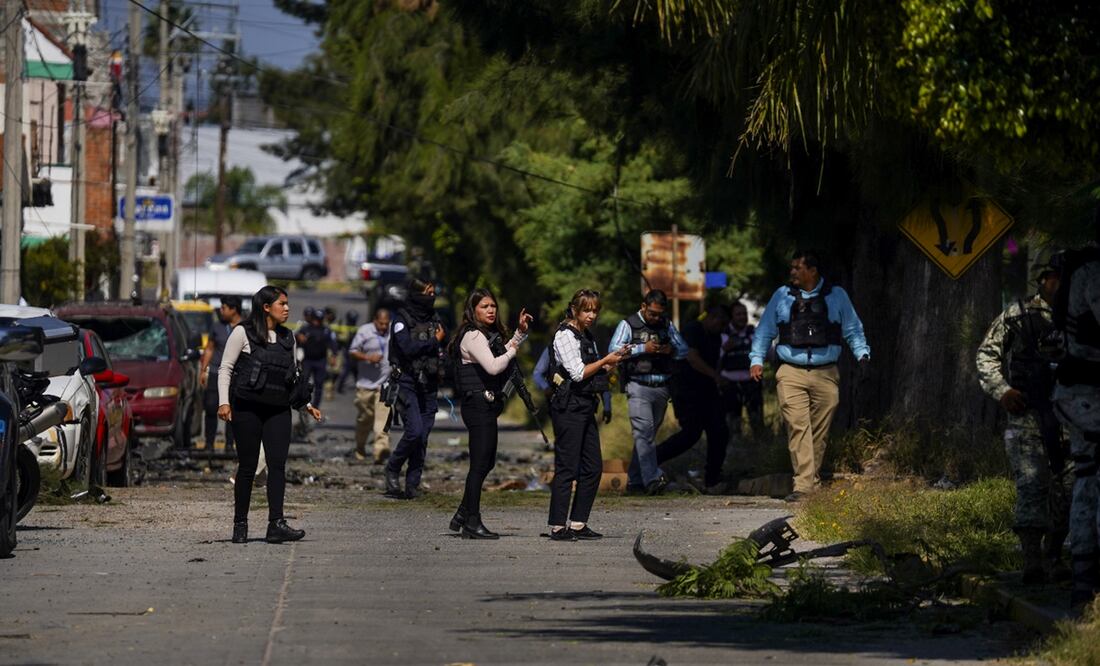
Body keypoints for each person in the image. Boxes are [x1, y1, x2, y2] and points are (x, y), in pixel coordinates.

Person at [977, 252, 1070, 584]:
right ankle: (1032, 559)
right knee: (1032, 485)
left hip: (1071, 418)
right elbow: (987, 355)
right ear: (1043, 280)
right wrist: (1002, 390)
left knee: (1068, 487)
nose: (1058, 284)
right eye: (1053, 277)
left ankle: (1055, 555)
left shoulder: (1080, 316)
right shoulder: (1017, 315)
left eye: (1063, 277)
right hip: (1027, 415)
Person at [750, 250, 870, 502]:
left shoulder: (837, 297)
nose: (792, 272)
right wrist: (757, 359)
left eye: (797, 268)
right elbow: (764, 331)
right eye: (792, 267)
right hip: (790, 371)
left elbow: (852, 328)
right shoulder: (781, 296)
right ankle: (804, 486)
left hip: (826, 372)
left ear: (812, 271)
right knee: (798, 426)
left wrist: (862, 353)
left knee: (819, 431)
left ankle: (810, 480)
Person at [219, 286, 322, 544]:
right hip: (247, 408)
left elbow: (292, 378)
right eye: (282, 304)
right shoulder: (242, 332)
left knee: (277, 465)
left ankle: (276, 524)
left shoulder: (288, 338)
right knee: (248, 467)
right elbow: (226, 369)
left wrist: (305, 405)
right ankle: (240, 525)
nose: (287, 308)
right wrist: (224, 403)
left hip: (278, 409)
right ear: (266, 307)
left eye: (287, 304)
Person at [545, 289, 629, 541]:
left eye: (595, 310)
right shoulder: (564, 336)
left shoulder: (587, 336)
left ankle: (579, 523)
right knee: (567, 467)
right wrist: (605, 360)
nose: (592, 315)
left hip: (585, 405)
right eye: (586, 310)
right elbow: (578, 373)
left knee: (592, 467)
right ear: (574, 310)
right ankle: (558, 526)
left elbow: (593, 370)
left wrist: (611, 361)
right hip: (568, 407)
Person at [448, 289, 533, 539]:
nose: (491, 310)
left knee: (486, 462)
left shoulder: (481, 335)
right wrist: (513, 352)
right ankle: (471, 521)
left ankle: (464, 512)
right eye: (484, 306)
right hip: (477, 406)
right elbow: (494, 365)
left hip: (483, 406)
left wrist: (519, 334)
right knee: (479, 465)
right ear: (473, 310)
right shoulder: (473, 335)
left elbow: (499, 352)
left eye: (493, 305)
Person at [1051, 229, 1100, 611]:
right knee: (1090, 475)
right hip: (1088, 395)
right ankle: (1086, 577)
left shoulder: (1083, 267)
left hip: (1082, 393)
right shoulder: (1094, 271)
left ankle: (1084, 577)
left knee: (1087, 475)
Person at [609, 289, 689, 494]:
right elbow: (613, 352)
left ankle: (635, 482)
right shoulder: (628, 324)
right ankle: (653, 479)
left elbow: (684, 350)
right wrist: (642, 349)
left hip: (661, 388)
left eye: (659, 314)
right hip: (638, 387)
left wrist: (668, 349)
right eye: (652, 313)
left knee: (646, 437)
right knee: (643, 434)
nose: (655, 317)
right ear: (644, 306)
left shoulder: (666, 325)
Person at [653, 304, 731, 494]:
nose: (722, 329)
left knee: (719, 432)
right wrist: (716, 376)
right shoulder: (693, 330)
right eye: (720, 324)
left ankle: (712, 478)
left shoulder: (716, 336)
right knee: (691, 434)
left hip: (708, 392)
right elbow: (693, 358)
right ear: (712, 318)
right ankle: (651, 461)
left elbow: (714, 361)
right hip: (687, 390)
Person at [384, 278, 445, 499]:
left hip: (428, 383)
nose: (431, 296)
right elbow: (408, 348)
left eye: (433, 291)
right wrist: (434, 342)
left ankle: (412, 484)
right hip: (407, 382)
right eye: (427, 292)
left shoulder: (433, 319)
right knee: (414, 431)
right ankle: (393, 467)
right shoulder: (402, 319)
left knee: (423, 437)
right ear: (416, 294)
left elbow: (439, 349)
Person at [348, 309, 393, 463]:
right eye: (381, 324)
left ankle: (380, 451)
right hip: (365, 385)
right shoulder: (365, 331)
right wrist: (368, 357)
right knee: (365, 419)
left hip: (385, 384)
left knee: (383, 420)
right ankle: (360, 447)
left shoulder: (392, 331)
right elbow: (353, 351)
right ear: (375, 321)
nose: (383, 327)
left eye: (386, 324)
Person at [201, 295, 242, 455]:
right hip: (216, 372)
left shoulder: (245, 327)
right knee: (211, 407)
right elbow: (210, 348)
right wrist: (203, 369)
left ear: (233, 309)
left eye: (224, 307)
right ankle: (209, 443)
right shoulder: (217, 327)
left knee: (233, 409)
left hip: (237, 375)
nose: (221, 310)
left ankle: (230, 444)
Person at [720, 301, 765, 445]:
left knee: (757, 420)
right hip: (729, 385)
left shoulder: (754, 333)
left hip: (752, 383)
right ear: (731, 317)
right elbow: (713, 359)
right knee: (732, 424)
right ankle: (735, 452)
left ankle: (759, 450)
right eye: (738, 314)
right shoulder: (722, 335)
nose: (742, 317)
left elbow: (769, 354)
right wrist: (724, 349)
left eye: (744, 314)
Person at [296, 308, 338, 409]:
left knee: (319, 384)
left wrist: (334, 356)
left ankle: (316, 406)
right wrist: (299, 337)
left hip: (320, 361)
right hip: (307, 360)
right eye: (315, 319)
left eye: (319, 320)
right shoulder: (305, 328)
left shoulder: (326, 330)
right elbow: (296, 337)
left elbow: (332, 344)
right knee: (304, 381)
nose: (316, 322)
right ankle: (303, 403)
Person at [336, 310, 362, 393]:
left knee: (355, 370)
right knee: (348, 370)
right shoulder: (346, 329)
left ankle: (359, 386)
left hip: (354, 351)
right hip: (348, 351)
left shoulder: (355, 329)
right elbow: (341, 339)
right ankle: (340, 387)